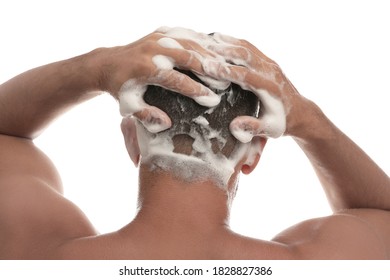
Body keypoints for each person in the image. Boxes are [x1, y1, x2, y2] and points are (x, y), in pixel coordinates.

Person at [0, 27, 389, 259]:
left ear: (132, 139)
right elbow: (380, 213)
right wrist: (309, 120)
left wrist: (97, 67)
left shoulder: (38, 250)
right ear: (253, 154)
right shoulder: (322, 264)